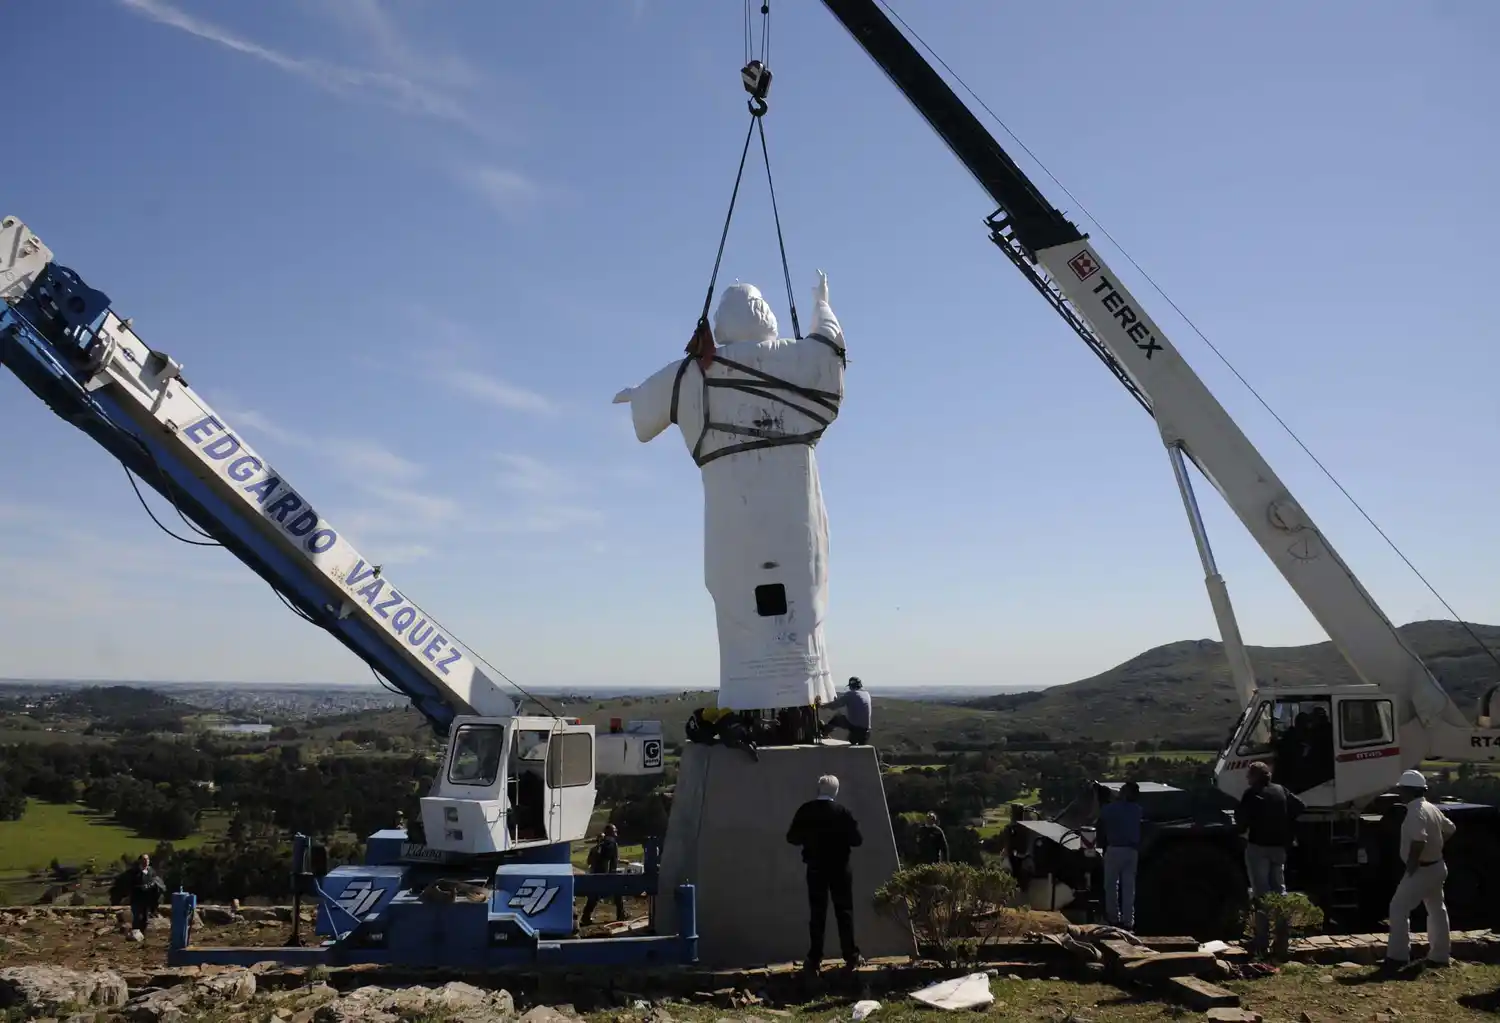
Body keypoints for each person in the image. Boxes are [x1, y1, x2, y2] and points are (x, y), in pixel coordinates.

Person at [614, 273, 846, 713]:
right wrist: (822, 306)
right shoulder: (799, 358)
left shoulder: (696, 370)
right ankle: (806, 691)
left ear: (721, 323)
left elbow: (647, 418)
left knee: (740, 609)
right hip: (798, 521)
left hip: (732, 523)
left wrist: (638, 396)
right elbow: (830, 353)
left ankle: (747, 692)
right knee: (802, 602)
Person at [786, 774, 863, 975]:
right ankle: (850, 955)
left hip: (815, 867)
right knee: (844, 912)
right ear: (835, 791)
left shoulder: (806, 810)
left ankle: (814, 957)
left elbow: (792, 837)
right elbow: (857, 840)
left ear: (818, 789)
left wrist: (810, 840)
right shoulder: (842, 812)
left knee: (817, 913)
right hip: (840, 868)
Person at [1384, 769, 1455, 972]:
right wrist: (1437, 845)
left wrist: (1412, 865)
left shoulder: (1415, 812)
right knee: (1437, 910)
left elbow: (1418, 841)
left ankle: (1397, 957)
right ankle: (1440, 956)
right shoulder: (1431, 808)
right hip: (1438, 866)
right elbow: (1450, 829)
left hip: (1422, 869)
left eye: (1401, 790)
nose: (1399, 793)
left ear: (1407, 791)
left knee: (1398, 908)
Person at [1234, 761, 1304, 957]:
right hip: (1279, 847)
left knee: (1261, 893)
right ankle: (1282, 940)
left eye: (1249, 775)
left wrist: (1241, 832)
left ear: (1255, 777)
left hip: (1259, 847)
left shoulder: (1252, 793)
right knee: (1280, 891)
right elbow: (1300, 806)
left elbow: (1241, 820)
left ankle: (1261, 941)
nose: (1247, 779)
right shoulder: (1281, 790)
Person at [1096, 781, 1142, 931]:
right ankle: (1128, 921)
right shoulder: (1137, 810)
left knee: (1110, 886)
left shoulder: (1110, 809)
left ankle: (1113, 918)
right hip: (1132, 851)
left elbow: (1100, 818)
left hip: (1115, 849)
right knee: (1129, 888)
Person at [580, 824, 627, 926]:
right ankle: (621, 915)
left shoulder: (599, 846)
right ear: (611, 832)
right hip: (607, 874)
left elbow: (592, 861)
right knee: (618, 892)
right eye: (614, 831)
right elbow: (612, 860)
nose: (616, 833)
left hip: (597, 874)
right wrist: (611, 873)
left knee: (594, 896)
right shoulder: (612, 843)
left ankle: (585, 917)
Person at [121, 853, 166, 935]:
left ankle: (143, 934)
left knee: (145, 918)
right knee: (137, 917)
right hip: (137, 899)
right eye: (144, 860)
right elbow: (130, 885)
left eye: (147, 859)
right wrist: (141, 887)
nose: (146, 861)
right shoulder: (134, 872)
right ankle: (135, 934)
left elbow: (155, 880)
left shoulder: (151, 871)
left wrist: (152, 885)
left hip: (147, 899)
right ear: (140, 861)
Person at [820, 677, 872, 745]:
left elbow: (834, 706)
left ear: (850, 686)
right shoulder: (866, 694)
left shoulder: (851, 694)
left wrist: (822, 705)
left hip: (855, 728)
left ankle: (824, 732)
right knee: (855, 745)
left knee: (837, 718)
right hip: (866, 730)